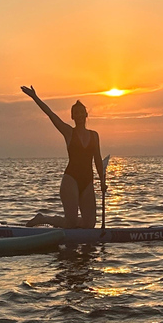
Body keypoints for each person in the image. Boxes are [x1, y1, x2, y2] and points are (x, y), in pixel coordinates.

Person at [21, 86, 106, 229]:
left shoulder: (94, 135)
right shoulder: (68, 132)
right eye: (75, 113)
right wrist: (35, 97)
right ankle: (43, 218)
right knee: (71, 223)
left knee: (89, 224)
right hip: (70, 180)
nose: (79, 116)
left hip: (87, 181)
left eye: (81, 113)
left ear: (86, 114)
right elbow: (50, 114)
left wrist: (102, 181)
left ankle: (74, 234)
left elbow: (98, 159)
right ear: (72, 116)